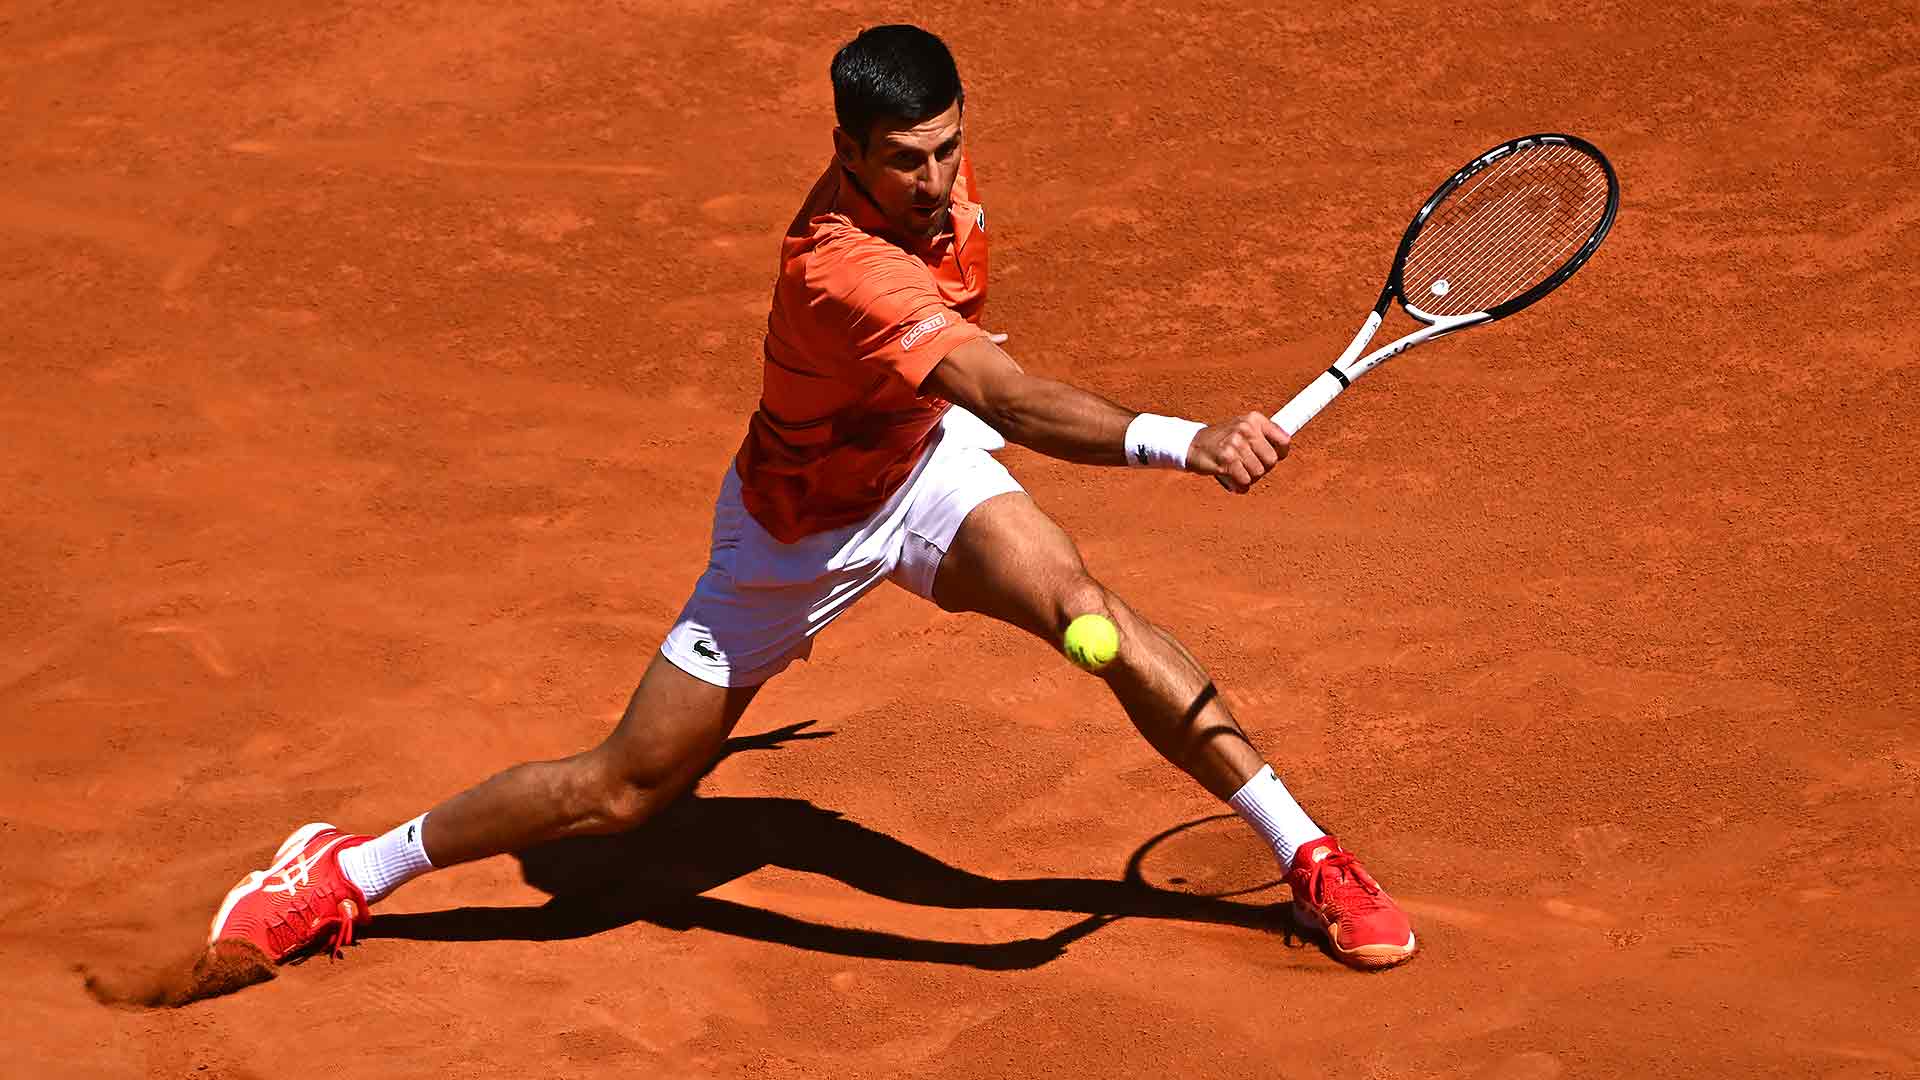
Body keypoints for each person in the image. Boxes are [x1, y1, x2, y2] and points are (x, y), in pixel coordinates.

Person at [207, 24, 1416, 972]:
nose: (936, 179)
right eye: (904, 160)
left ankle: (1304, 852)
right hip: (794, 532)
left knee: (1087, 612)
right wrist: (1184, 441)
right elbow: (1006, 398)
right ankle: (347, 871)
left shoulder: (930, 170)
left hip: (917, 466)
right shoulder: (841, 267)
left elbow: (963, 401)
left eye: (949, 147)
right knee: (623, 789)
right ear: (847, 153)